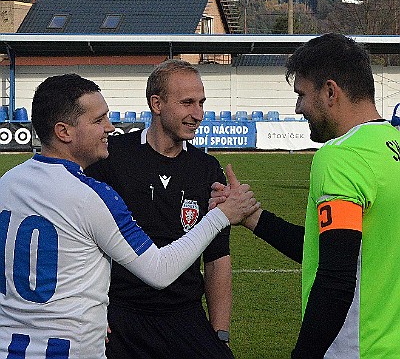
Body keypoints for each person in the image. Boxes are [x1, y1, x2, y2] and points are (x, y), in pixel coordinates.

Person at [0, 73, 259, 358]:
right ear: (64, 132)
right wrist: (223, 215)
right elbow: (159, 270)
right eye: (99, 121)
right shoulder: (93, 194)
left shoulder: (7, 183)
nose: (109, 128)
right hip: (78, 345)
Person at [211, 33, 400, 358]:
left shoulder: (342, 156)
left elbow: (335, 279)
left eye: (301, 94)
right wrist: (254, 218)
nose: (298, 107)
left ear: (330, 91)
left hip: (355, 351)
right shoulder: (391, 144)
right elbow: (328, 250)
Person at [85, 59, 235, 359]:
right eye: (187, 103)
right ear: (157, 103)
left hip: (185, 315)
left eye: (201, 103)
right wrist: (90, 314)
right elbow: (82, 247)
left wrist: (220, 333)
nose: (198, 114)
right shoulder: (112, 159)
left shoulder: (207, 169)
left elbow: (217, 258)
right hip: (122, 316)